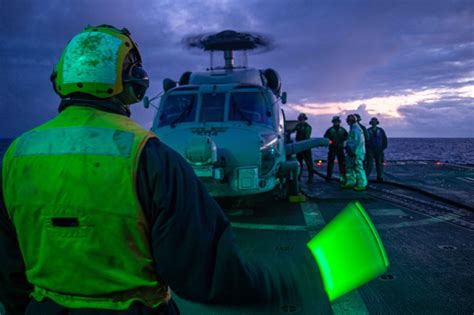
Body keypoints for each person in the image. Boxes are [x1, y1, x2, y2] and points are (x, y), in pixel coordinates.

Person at [0, 25, 333, 315]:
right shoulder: (149, 156)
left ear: (59, 80)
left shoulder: (16, 154)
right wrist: (289, 281)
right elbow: (203, 273)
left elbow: (9, 266)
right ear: (134, 84)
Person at [342, 114, 367, 190]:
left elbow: (356, 142)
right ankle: (350, 182)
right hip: (352, 152)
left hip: (356, 152)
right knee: (350, 167)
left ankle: (362, 184)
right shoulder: (354, 129)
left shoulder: (355, 130)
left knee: (358, 167)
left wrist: (352, 150)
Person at [323, 116, 348, 182]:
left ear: (339, 122)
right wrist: (331, 142)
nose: (336, 123)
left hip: (340, 148)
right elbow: (326, 138)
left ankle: (343, 177)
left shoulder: (342, 130)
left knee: (342, 163)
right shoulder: (330, 130)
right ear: (333, 122)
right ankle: (328, 177)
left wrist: (343, 144)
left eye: (337, 121)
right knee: (330, 163)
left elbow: (347, 138)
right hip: (332, 148)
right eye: (335, 122)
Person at [294, 113, 316, 182]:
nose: (301, 120)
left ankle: (311, 177)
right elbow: (292, 130)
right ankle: (298, 177)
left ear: (304, 119)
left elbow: (306, 137)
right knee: (299, 164)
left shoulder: (308, 127)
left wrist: (303, 146)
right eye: (300, 119)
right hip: (299, 148)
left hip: (306, 148)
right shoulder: (298, 126)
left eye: (302, 119)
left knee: (309, 163)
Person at [366, 117, 388, 182]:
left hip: (379, 149)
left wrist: (383, 147)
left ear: (377, 123)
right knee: (369, 164)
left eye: (375, 121)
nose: (374, 123)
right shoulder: (368, 130)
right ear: (371, 123)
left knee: (379, 164)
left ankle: (379, 177)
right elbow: (365, 140)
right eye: (373, 121)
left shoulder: (381, 130)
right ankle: (366, 177)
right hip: (370, 150)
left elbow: (384, 139)